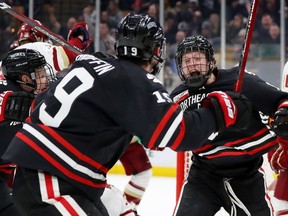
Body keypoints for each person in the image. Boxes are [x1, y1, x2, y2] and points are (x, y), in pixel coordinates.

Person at [2, 13, 251, 215]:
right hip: (53, 181)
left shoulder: (89, 62)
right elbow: (177, 133)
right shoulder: (135, 80)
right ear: (155, 50)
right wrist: (220, 110)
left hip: (54, 178)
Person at [170, 35, 288, 216]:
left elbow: (281, 101)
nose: (192, 65)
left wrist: (283, 116)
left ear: (210, 62)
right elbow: (167, 133)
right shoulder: (179, 97)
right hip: (203, 176)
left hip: (246, 175)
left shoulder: (239, 81)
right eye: (186, 61)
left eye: (197, 59)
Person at [0, 48, 55, 216]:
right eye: (39, 74)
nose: (45, 78)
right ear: (25, 78)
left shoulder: (27, 96)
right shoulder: (10, 96)